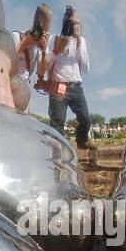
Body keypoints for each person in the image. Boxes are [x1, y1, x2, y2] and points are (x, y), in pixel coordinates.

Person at [47, 11, 92, 149]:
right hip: (58, 84)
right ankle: (57, 151)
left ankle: (82, 141)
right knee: (58, 121)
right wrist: (60, 46)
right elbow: (47, 62)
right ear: (65, 24)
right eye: (72, 23)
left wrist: (78, 43)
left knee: (85, 118)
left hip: (76, 86)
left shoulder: (82, 41)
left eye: (77, 23)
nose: (76, 26)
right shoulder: (54, 39)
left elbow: (85, 68)